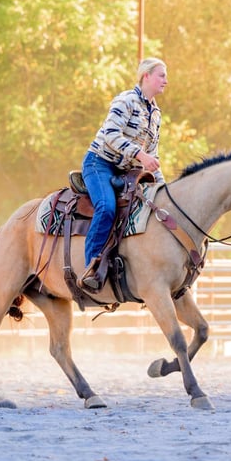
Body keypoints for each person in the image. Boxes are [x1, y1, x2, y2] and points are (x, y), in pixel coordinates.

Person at [77, 57, 168, 291]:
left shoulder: (156, 114)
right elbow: (110, 134)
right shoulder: (125, 100)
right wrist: (141, 155)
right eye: (161, 75)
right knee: (106, 207)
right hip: (99, 164)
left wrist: (162, 189)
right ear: (146, 76)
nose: (166, 80)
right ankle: (91, 268)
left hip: (126, 171)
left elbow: (153, 155)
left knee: (147, 209)